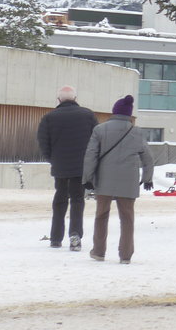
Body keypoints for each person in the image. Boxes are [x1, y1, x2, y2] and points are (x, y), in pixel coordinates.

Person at [82, 95, 155, 264]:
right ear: (129, 114)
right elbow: (148, 158)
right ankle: (126, 255)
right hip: (128, 180)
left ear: (114, 112)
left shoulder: (99, 130)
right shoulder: (137, 132)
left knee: (101, 215)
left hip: (104, 178)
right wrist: (147, 178)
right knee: (127, 218)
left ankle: (99, 251)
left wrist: (88, 178)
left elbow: (90, 155)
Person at [36, 86, 98, 251]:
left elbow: (43, 143)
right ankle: (75, 235)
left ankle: (56, 238)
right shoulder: (88, 115)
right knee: (77, 199)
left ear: (58, 100)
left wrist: (53, 160)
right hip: (80, 166)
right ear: (75, 99)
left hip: (60, 165)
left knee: (59, 199)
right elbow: (95, 140)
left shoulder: (49, 117)